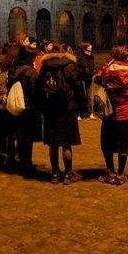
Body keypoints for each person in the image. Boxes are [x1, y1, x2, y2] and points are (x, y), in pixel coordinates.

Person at [37, 44, 88, 184]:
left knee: (52, 144)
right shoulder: (70, 66)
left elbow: (39, 89)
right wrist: (84, 109)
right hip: (67, 108)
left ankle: (55, 173)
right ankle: (68, 173)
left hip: (50, 109)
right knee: (66, 144)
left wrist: (41, 108)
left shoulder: (45, 66)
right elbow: (79, 89)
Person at [95, 46, 128, 186]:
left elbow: (97, 78)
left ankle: (110, 172)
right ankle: (121, 173)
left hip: (110, 113)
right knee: (124, 146)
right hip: (127, 113)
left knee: (107, 144)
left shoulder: (108, 69)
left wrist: (108, 64)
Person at [7, 34, 41, 176]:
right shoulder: (31, 72)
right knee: (27, 138)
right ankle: (27, 164)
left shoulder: (14, 70)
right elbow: (35, 92)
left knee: (18, 135)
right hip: (27, 108)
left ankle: (16, 160)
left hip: (14, 107)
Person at [76, 42, 96, 120]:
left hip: (90, 78)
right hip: (82, 79)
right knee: (82, 96)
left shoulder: (91, 56)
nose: (90, 51)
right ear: (84, 49)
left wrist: (93, 71)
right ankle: (81, 113)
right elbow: (78, 68)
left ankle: (90, 113)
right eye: (88, 49)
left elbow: (93, 65)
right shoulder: (79, 57)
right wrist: (84, 70)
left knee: (90, 97)